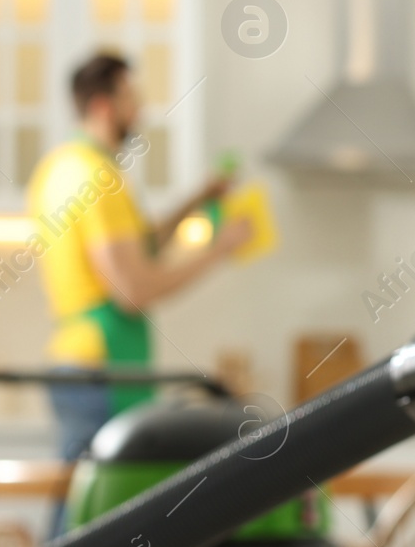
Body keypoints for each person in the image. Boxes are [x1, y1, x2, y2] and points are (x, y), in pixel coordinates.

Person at [28, 51, 251, 465]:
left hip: (76, 361)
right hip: (101, 368)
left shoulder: (60, 168)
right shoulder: (97, 177)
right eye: (131, 97)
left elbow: (140, 246)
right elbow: (134, 289)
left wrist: (199, 199)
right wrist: (219, 250)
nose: (140, 109)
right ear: (102, 105)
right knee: (99, 511)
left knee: (83, 505)